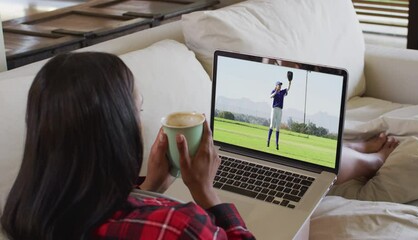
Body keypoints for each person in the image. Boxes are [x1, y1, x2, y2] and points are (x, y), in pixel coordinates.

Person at [0, 52, 255, 240]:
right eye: (138, 109)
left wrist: (149, 188)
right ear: (117, 129)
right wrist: (205, 192)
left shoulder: (23, 218)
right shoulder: (179, 226)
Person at [267, 74, 292, 150]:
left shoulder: (282, 92)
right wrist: (275, 92)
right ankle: (268, 140)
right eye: (279, 85)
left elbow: (288, 89)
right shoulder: (274, 91)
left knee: (278, 127)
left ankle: (277, 144)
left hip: (280, 110)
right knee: (271, 126)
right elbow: (270, 96)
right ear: (276, 85)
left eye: (280, 85)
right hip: (274, 109)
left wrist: (290, 82)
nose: (280, 86)